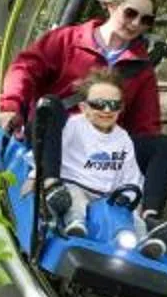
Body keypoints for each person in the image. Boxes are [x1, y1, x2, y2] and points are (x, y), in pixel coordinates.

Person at [0, 0, 167, 212]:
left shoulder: (140, 68)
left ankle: (150, 215)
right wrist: (11, 105)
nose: (136, 24)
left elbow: (145, 125)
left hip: (102, 147)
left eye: (145, 20)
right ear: (111, 6)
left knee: (166, 145)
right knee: (50, 105)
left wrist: (158, 167)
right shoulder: (67, 40)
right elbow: (25, 69)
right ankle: (52, 185)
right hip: (58, 135)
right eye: (130, 13)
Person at [49, 78, 145, 236]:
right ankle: (75, 224)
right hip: (76, 184)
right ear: (83, 107)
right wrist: (40, 178)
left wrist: (128, 198)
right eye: (99, 104)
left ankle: (144, 242)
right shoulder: (73, 126)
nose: (107, 110)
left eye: (114, 105)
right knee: (75, 200)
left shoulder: (123, 138)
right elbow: (52, 152)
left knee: (132, 217)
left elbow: (131, 176)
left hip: (106, 196)